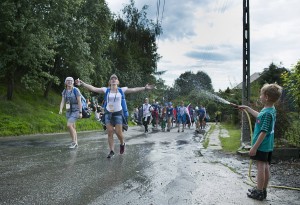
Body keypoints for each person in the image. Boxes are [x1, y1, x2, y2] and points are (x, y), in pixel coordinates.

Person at [76, 74, 154, 158]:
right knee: (109, 132)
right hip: (108, 113)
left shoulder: (121, 90)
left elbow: (134, 90)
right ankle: (111, 151)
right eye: (112, 79)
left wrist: (144, 88)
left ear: (118, 81)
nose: (113, 80)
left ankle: (122, 143)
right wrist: (82, 83)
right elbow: (94, 88)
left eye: (115, 78)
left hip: (118, 113)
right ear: (109, 82)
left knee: (118, 132)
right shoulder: (106, 90)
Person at [239, 83, 282, 201]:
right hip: (267, 145)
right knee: (265, 166)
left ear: (266, 97)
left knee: (261, 167)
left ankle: (259, 192)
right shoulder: (270, 109)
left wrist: (254, 148)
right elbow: (260, 117)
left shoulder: (268, 113)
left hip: (262, 146)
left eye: (261, 94)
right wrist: (248, 109)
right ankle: (262, 189)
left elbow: (263, 132)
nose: (260, 96)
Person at [59, 77, 82, 149]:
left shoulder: (76, 90)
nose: (69, 82)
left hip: (76, 110)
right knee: (73, 127)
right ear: (65, 82)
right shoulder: (64, 91)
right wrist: (61, 109)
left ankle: (73, 142)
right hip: (68, 110)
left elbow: (79, 101)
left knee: (69, 125)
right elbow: (63, 101)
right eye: (68, 81)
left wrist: (80, 112)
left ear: (73, 82)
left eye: (71, 81)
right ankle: (76, 142)